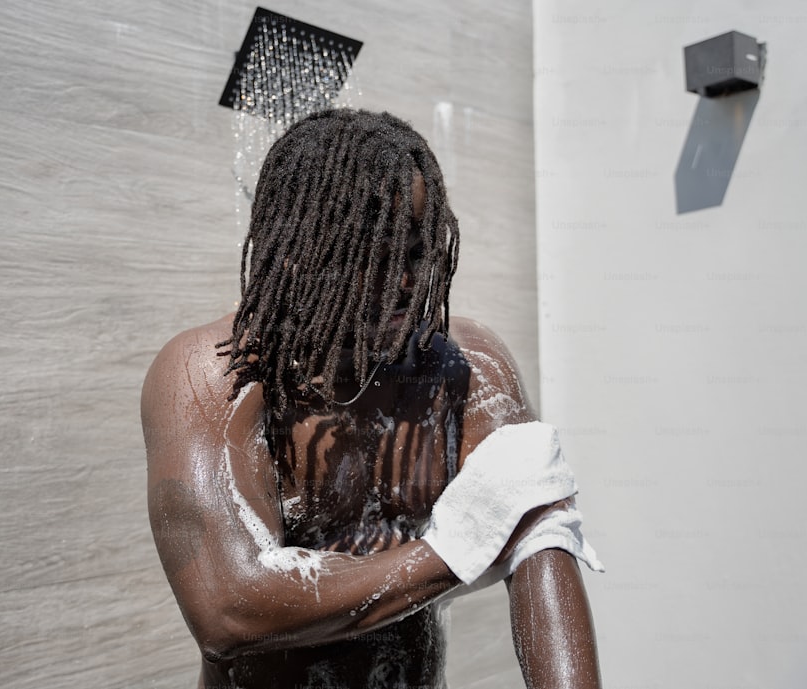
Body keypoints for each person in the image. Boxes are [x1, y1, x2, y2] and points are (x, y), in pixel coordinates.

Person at [142, 109, 604, 689]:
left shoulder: (466, 367)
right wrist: (455, 548)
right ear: (294, 247)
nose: (402, 282)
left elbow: (540, 540)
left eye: (414, 251)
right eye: (369, 252)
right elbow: (228, 609)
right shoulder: (213, 377)